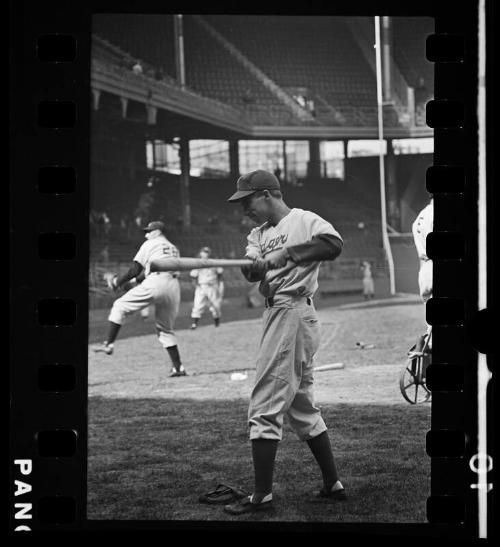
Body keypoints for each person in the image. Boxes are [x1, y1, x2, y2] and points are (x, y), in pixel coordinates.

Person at [223, 169, 346, 515]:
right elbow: (253, 271)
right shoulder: (257, 235)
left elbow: (333, 245)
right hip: (278, 313)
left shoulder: (304, 221)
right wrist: (255, 269)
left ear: (266, 194)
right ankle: (333, 484)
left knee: (264, 403)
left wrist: (289, 255)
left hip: (294, 312)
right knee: (301, 405)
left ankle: (261, 496)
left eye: (248, 201)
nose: (244, 208)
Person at [92, 220, 187, 377]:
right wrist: (130, 282)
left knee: (119, 306)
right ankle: (179, 368)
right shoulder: (173, 248)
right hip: (173, 286)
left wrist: (117, 282)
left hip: (156, 282)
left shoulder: (150, 244)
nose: (146, 234)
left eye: (149, 231)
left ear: (158, 232)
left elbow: (136, 269)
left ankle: (108, 344)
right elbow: (145, 272)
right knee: (165, 329)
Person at [410, 196, 434, 355]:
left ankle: (426, 342)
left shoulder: (420, 216)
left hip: (425, 269)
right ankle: (428, 344)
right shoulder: (437, 214)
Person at [189, 247, 224, 329]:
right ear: (200, 253)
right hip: (201, 286)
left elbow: (220, 273)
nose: (205, 253)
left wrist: (219, 285)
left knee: (215, 305)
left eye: (207, 252)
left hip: (212, 286)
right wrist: (196, 286)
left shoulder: (213, 262)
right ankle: (194, 324)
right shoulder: (198, 263)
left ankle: (217, 324)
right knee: (197, 305)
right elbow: (193, 276)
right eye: (204, 252)